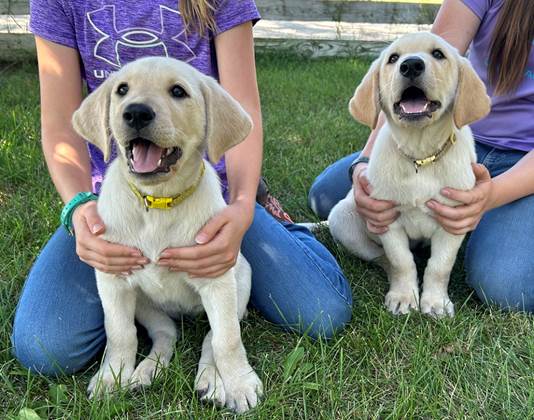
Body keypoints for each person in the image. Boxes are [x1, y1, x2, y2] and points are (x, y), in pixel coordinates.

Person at [12, 0, 352, 375]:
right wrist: (78, 208)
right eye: (124, 93)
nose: (138, 110)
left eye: (176, 91)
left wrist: (239, 207)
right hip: (112, 203)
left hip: (211, 196)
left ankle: (281, 225)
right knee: (45, 349)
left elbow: (241, 109)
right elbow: (61, 125)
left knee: (323, 311)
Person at [309, 0, 534, 312]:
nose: (412, 64)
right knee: (327, 194)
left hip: (523, 159)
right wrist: (364, 164)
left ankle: (489, 226)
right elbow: (434, 50)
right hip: (439, 139)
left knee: (507, 285)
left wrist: (491, 195)